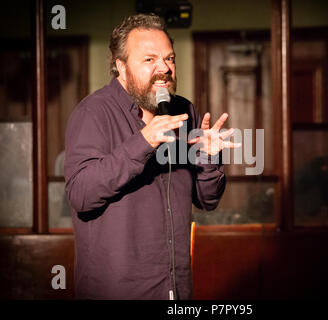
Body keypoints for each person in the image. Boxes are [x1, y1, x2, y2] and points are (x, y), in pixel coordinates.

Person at [64, 13, 238, 300]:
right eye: (149, 60)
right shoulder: (93, 113)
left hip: (175, 289)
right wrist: (142, 142)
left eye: (169, 59)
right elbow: (81, 194)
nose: (164, 69)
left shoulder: (184, 112)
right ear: (120, 66)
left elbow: (207, 200)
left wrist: (208, 157)